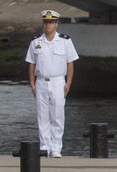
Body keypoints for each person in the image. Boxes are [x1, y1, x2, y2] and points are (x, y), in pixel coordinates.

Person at [25, 10, 78, 158]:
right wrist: (32, 84)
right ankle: (44, 147)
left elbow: (70, 63)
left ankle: (56, 148)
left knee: (57, 116)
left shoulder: (65, 41)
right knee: (42, 117)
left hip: (58, 81)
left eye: (51, 22)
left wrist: (68, 83)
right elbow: (31, 64)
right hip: (41, 81)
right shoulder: (35, 42)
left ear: (56, 24)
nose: (48, 25)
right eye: (46, 22)